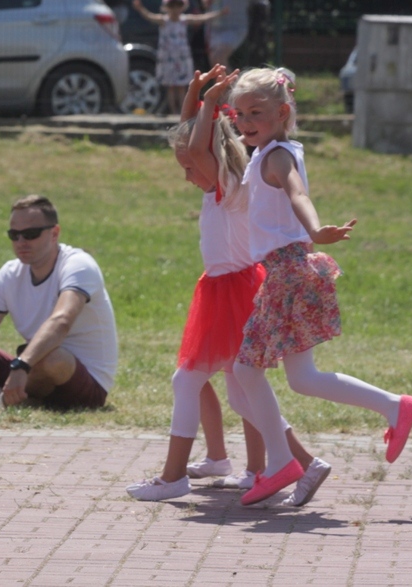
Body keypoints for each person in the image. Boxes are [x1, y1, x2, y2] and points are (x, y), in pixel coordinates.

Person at [127, 68, 326, 504]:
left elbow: (197, 146)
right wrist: (199, 95)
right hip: (226, 288)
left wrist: (212, 96)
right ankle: (298, 465)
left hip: (234, 292)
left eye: (188, 168)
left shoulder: (229, 186)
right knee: (241, 392)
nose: (186, 173)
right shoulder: (222, 182)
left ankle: (175, 476)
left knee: (190, 381)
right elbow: (192, 138)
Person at [226, 67, 412, 505]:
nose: (245, 121)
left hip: (288, 272)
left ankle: (280, 463)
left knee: (245, 370)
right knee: (302, 378)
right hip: (286, 272)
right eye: (239, 114)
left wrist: (315, 229)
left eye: (256, 112)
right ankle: (394, 406)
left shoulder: (278, 156)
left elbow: (298, 195)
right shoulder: (263, 149)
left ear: (283, 112)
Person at [0, 195, 117, 411]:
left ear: (54, 233)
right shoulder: (10, 273)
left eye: (30, 234)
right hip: (31, 370)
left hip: (83, 383)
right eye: (14, 235)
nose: (21, 242)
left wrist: (21, 365)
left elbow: (61, 320)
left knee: (53, 358)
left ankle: (5, 397)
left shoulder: (78, 265)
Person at [131, 0, 226, 115]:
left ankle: (182, 110)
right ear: (167, 7)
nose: (175, 9)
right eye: (172, 6)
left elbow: (202, 18)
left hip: (181, 58)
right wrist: (140, 8)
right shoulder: (163, 20)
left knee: (181, 87)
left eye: (178, 6)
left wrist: (219, 13)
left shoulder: (184, 20)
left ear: (182, 7)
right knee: (171, 87)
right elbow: (149, 16)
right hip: (168, 57)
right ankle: (174, 111)